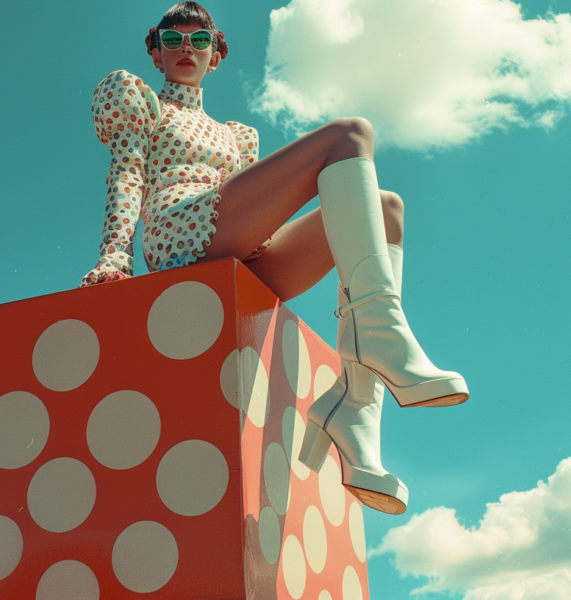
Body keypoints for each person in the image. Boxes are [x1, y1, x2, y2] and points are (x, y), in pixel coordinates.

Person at [80, 1, 469, 515]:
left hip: (240, 254)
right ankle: (379, 339)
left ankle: (356, 407)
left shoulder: (239, 136)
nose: (186, 50)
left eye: (200, 41)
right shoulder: (143, 103)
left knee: (387, 207)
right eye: (172, 41)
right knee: (350, 136)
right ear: (155, 52)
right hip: (179, 235)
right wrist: (114, 257)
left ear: (216, 55)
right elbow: (127, 175)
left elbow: (251, 211)